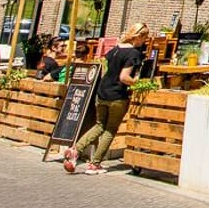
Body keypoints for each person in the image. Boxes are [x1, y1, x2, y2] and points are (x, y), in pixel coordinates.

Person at [64, 23, 150, 175]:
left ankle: (76, 149)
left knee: (99, 125)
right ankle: (94, 164)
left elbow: (107, 69)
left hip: (102, 92)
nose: (145, 41)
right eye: (145, 38)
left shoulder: (115, 49)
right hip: (117, 95)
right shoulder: (133, 54)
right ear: (139, 37)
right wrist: (138, 83)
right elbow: (124, 77)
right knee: (110, 129)